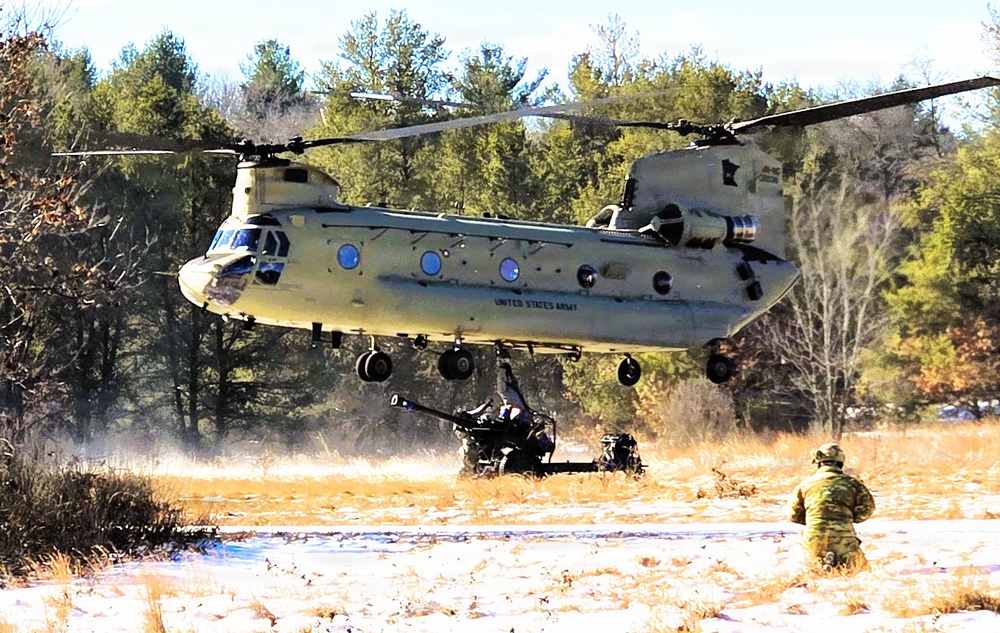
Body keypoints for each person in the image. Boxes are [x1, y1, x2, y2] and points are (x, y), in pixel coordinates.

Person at [787, 442, 875, 572]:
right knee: (861, 573)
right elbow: (868, 508)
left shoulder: (805, 485)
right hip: (844, 538)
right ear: (841, 462)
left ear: (818, 462)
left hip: (813, 537)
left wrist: (815, 520)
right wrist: (849, 518)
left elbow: (793, 515)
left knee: (812, 572)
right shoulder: (852, 484)